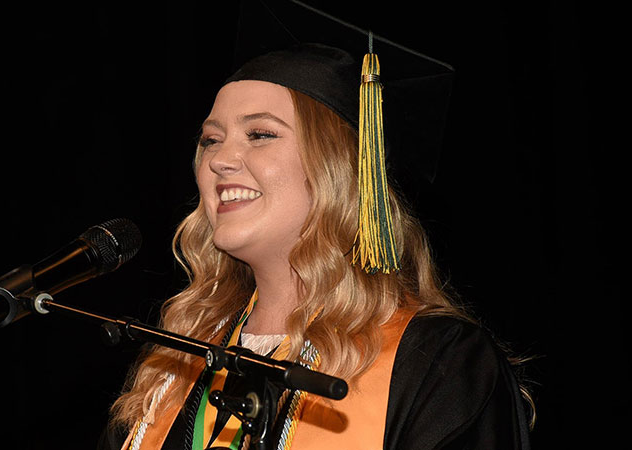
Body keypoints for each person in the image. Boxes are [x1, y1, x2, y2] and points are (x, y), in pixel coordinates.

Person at [99, 3, 533, 450]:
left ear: (339, 167)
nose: (219, 160)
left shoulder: (438, 363)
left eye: (260, 134)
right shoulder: (174, 368)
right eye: (210, 140)